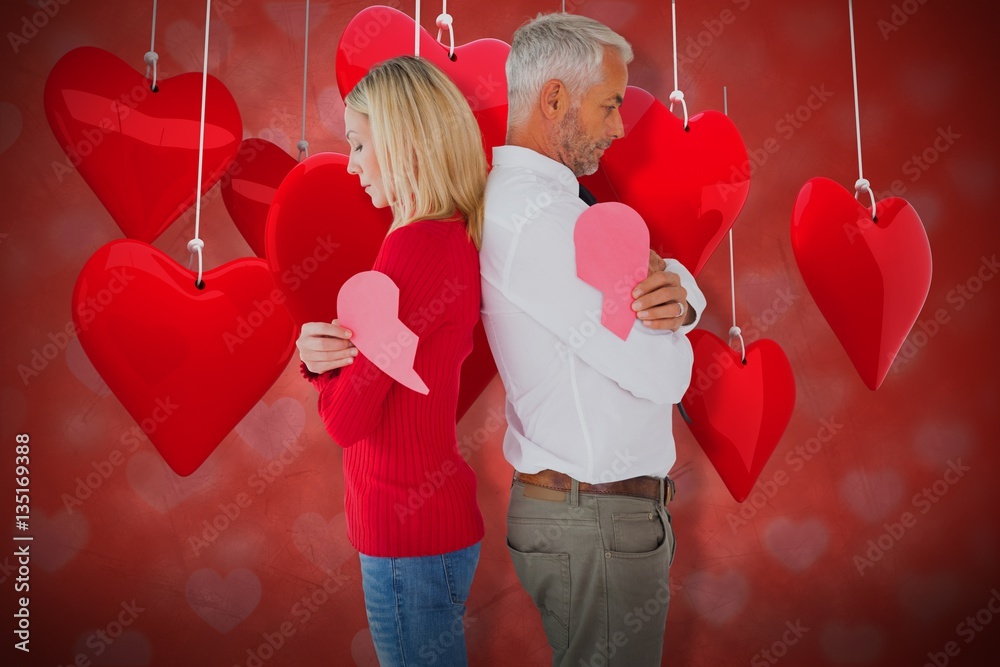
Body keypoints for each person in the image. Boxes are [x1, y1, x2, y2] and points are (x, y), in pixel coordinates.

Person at [479, 13, 707, 666]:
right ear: (555, 99)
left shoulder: (554, 210)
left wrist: (682, 298)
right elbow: (664, 378)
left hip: (592, 519)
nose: (618, 125)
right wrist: (679, 325)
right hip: (597, 523)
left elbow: (657, 292)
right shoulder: (544, 222)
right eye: (609, 104)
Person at [296, 56, 486, 667]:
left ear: (403, 142)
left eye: (357, 144)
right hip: (427, 536)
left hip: (409, 545)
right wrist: (326, 357)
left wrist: (324, 370)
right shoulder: (448, 237)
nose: (349, 164)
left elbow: (345, 422)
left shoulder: (410, 249)